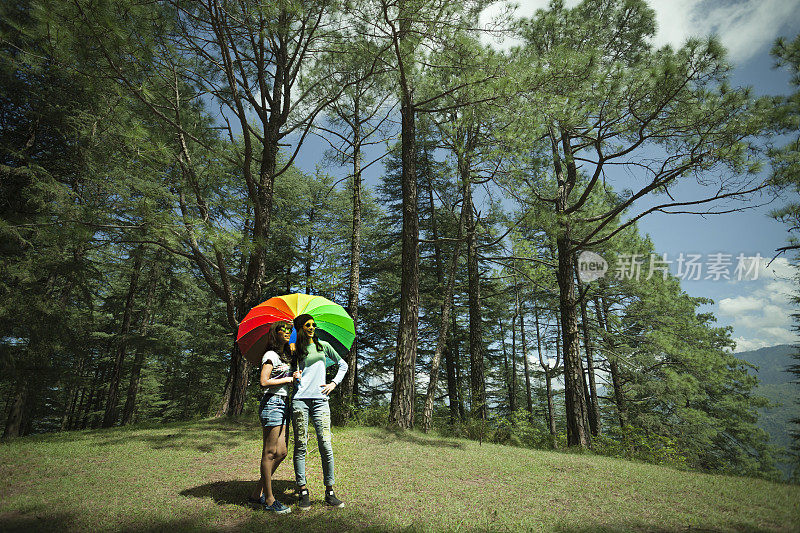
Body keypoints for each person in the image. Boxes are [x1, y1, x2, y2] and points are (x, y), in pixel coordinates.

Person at [291, 313, 348, 510]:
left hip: (321, 401)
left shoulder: (323, 346)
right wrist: (294, 373)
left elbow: (343, 365)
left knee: (325, 444)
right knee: (300, 445)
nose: (312, 327)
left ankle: (330, 491)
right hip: (299, 401)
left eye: (314, 324)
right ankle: (303, 490)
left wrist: (333, 383)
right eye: (308, 325)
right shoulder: (293, 349)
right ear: (300, 328)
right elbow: (287, 373)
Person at [248, 321, 294, 514]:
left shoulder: (285, 356)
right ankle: (269, 500)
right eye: (282, 330)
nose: (286, 332)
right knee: (269, 452)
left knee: (282, 452)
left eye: (289, 330)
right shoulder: (270, 355)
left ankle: (256, 493)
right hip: (272, 403)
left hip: (283, 404)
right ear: (275, 334)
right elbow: (264, 381)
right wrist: (288, 379)